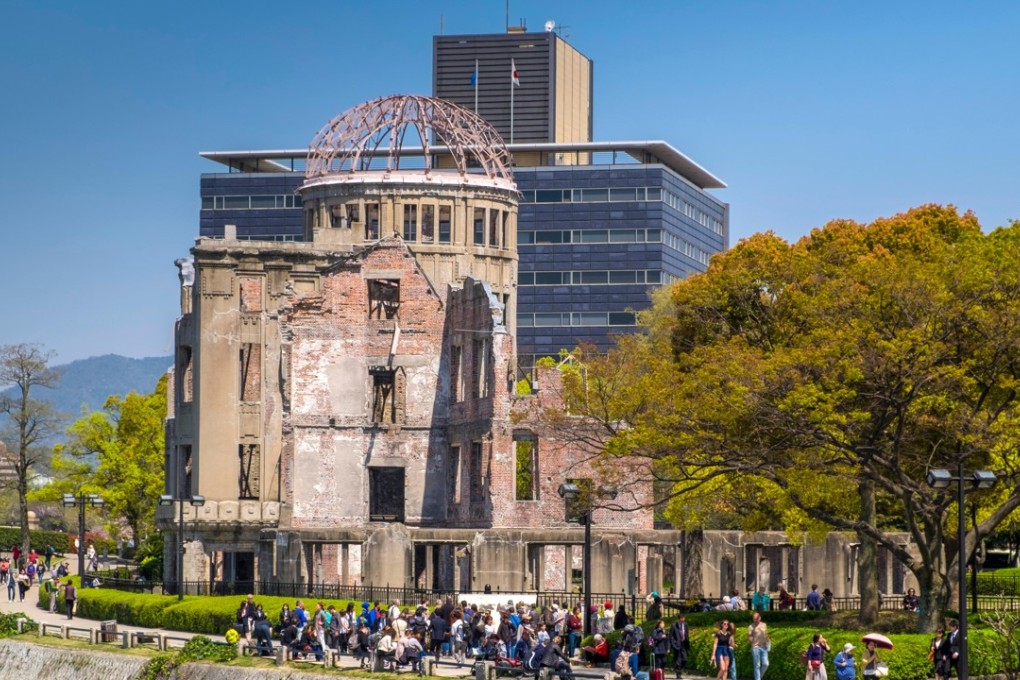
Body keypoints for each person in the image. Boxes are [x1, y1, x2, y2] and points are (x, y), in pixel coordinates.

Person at [748, 611, 770, 680]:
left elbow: (766, 634)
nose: (755, 620)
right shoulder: (751, 626)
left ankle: (759, 677)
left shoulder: (764, 625)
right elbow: (749, 636)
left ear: (760, 618)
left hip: (764, 647)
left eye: (757, 618)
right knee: (757, 665)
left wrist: (768, 642)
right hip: (756, 647)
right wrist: (751, 640)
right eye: (754, 618)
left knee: (766, 664)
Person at [669, 613, 691, 679]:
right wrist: (673, 644)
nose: (683, 620)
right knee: (678, 659)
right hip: (677, 645)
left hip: (684, 643)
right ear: (678, 619)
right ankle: (678, 674)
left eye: (684, 618)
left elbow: (686, 634)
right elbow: (671, 636)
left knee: (685, 659)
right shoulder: (674, 625)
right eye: (681, 618)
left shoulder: (685, 625)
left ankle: (677, 669)